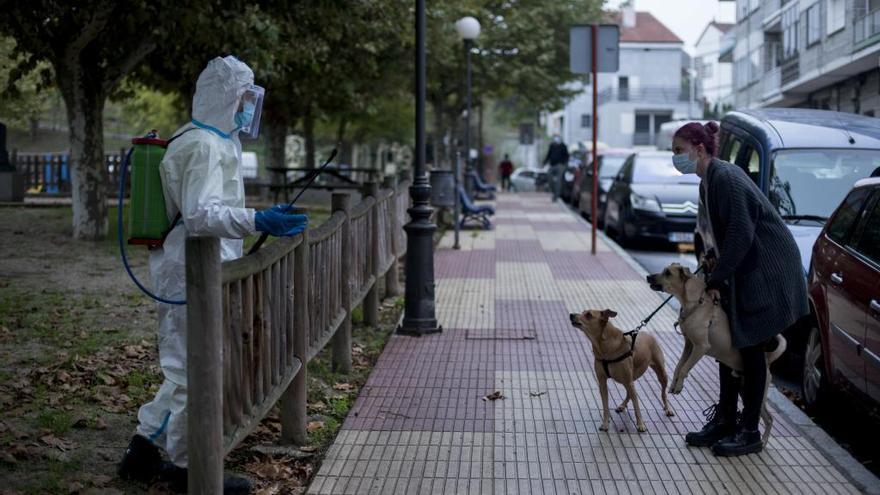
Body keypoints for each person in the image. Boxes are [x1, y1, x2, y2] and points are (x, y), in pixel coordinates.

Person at [117, 56, 308, 492]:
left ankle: (143, 450)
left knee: (186, 367)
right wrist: (257, 220)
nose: (247, 107)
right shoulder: (201, 144)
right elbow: (202, 214)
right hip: (188, 272)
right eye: (242, 97)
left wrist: (254, 218)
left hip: (204, 269)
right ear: (225, 96)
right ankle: (189, 469)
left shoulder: (215, 140)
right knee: (190, 368)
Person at [672, 121, 808, 457]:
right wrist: (713, 260)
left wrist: (717, 278)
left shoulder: (726, 179)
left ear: (698, 149)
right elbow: (726, 237)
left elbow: (742, 236)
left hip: (768, 273)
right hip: (749, 269)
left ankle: (749, 431)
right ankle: (726, 421)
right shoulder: (709, 180)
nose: (674, 158)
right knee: (731, 342)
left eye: (678, 151)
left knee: (750, 347)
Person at [544, 134, 569, 201]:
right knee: (549, 177)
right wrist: (544, 162)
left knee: (558, 180)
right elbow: (548, 155)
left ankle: (556, 196)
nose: (556, 139)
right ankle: (554, 192)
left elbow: (567, 156)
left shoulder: (563, 146)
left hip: (560, 165)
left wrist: (564, 164)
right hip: (552, 165)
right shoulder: (552, 146)